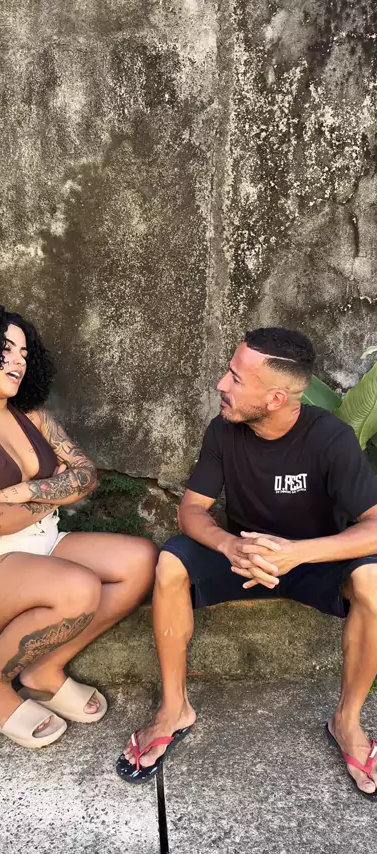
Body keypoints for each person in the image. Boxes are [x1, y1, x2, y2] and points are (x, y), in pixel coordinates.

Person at [117, 327, 377, 799]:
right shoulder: (223, 430)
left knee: (373, 580)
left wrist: (296, 552)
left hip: (312, 560)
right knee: (171, 562)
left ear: (275, 398)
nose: (221, 384)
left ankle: (347, 721)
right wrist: (229, 546)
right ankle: (174, 709)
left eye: (235, 378)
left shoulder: (330, 438)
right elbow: (191, 510)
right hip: (242, 558)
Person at [0, 304, 156, 748]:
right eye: (5, 349)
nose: (18, 361)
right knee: (78, 588)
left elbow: (86, 475)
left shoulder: (32, 416)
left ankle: (44, 670)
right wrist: (52, 494)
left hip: (40, 542)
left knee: (140, 560)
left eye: (24, 353)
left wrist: (24, 492)